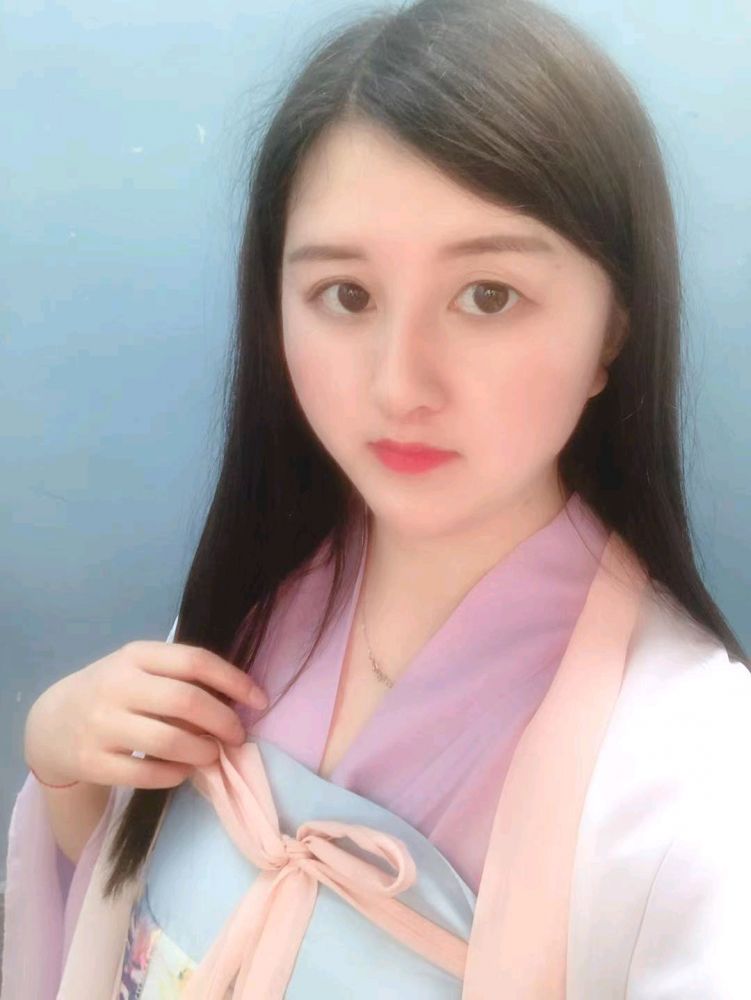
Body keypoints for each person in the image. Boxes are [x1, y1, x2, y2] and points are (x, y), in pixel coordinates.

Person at [3, 0, 750, 997]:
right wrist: (64, 762)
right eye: (345, 296)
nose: (400, 385)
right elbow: (125, 917)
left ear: (614, 326)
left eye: (487, 295)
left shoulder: (695, 768)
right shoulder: (260, 594)